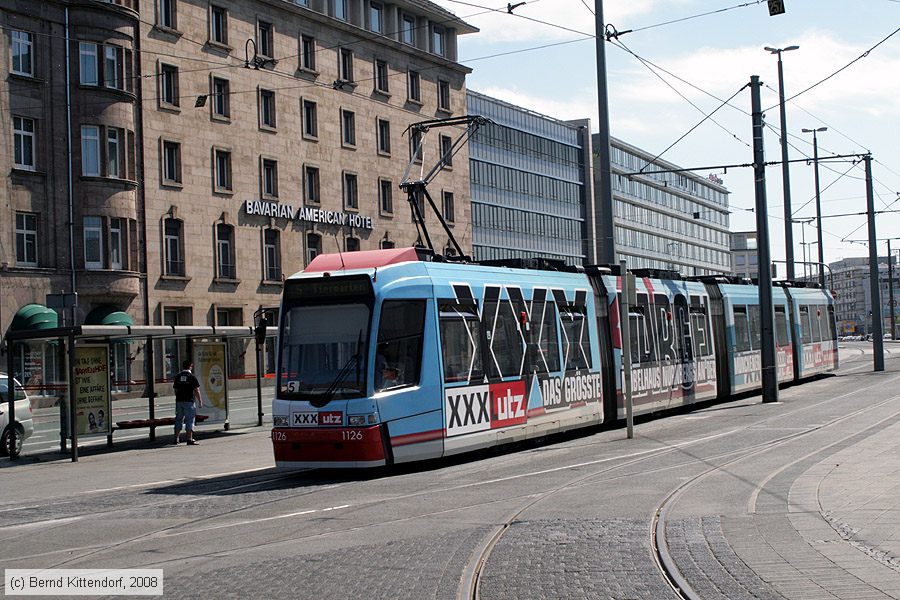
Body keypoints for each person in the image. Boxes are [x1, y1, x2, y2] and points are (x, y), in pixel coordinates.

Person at [173, 359, 202, 445]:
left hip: (179, 401)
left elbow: (175, 389)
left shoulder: (178, 376)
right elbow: (196, 390)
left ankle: (176, 438)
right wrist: (200, 401)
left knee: (178, 419)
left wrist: (178, 397)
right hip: (189, 401)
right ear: (190, 366)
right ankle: (189, 439)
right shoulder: (191, 377)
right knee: (189, 420)